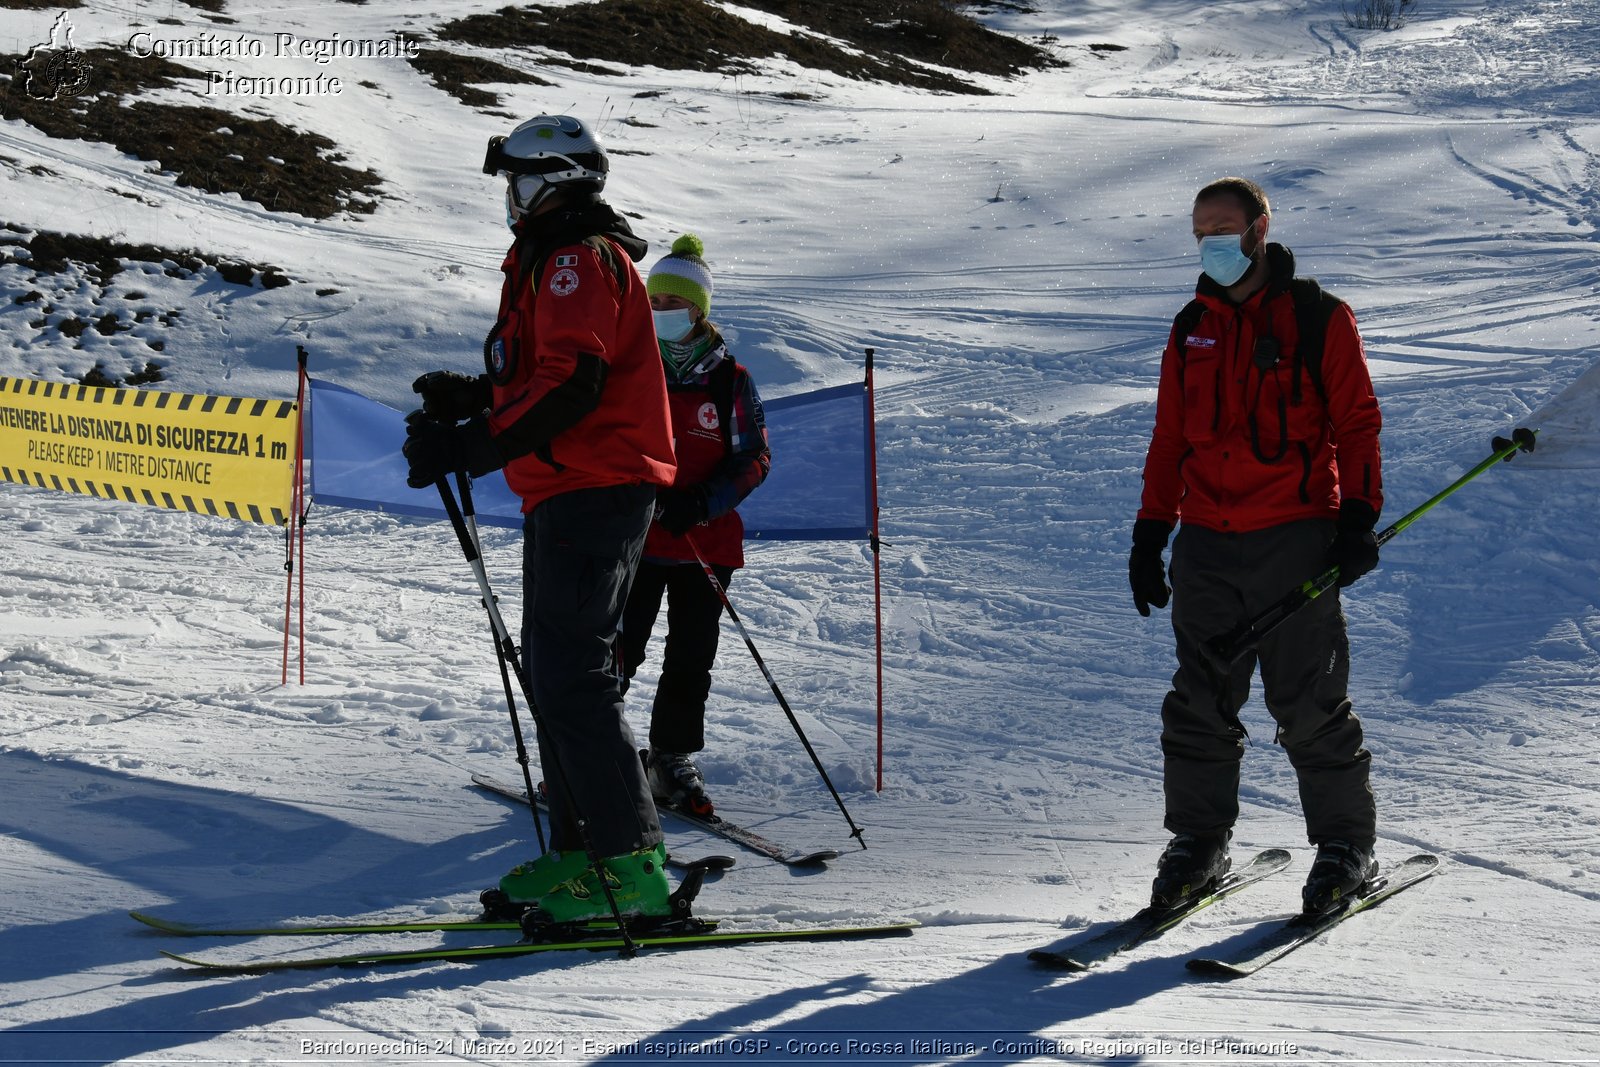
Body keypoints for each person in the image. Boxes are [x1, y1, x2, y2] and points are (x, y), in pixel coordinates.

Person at [403, 114, 678, 925]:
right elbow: (538, 373)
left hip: (596, 485)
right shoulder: (548, 261)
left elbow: (573, 385)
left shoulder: (572, 260)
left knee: (573, 673)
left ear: (557, 182)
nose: (512, 199)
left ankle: (628, 863)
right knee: (557, 671)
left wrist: (472, 443)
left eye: (521, 183)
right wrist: (475, 398)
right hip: (571, 488)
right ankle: (582, 851)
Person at [1130, 176, 1385, 916]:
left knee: (1307, 701)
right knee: (1199, 702)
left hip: (1293, 538)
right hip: (1207, 543)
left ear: (1260, 228)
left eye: (1224, 227)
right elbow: (1171, 437)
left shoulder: (1319, 318)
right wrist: (1152, 531)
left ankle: (1346, 844)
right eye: (1199, 230)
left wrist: (1359, 515)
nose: (1212, 242)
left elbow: (1357, 424)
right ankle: (1199, 843)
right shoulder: (1191, 327)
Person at [620, 234, 771, 817]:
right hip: (634, 539)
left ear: (698, 311)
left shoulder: (729, 380)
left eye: (671, 306)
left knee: (690, 658)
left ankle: (670, 757)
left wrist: (702, 502)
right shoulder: (631, 370)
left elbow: (754, 458)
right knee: (616, 650)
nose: (658, 315)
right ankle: (590, 757)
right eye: (652, 304)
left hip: (702, 543)